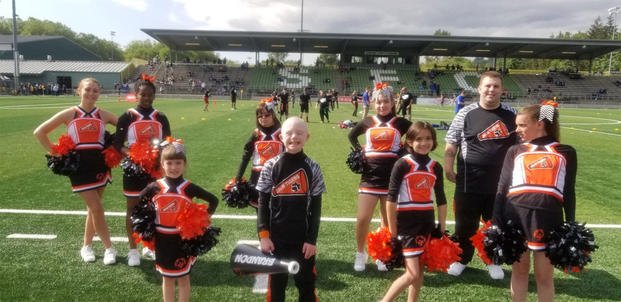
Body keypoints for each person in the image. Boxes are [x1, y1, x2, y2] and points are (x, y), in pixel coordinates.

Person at [493, 103, 576, 301]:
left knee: (544, 276)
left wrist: (570, 223)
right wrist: (497, 219)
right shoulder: (515, 150)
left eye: (522, 125)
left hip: (548, 219)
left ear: (539, 124)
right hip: (515, 217)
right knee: (520, 272)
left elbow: (568, 191)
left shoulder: (565, 151)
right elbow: (502, 187)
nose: (517, 130)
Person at [33, 78, 118, 265]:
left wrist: (117, 145)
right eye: (88, 89)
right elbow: (40, 132)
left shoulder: (103, 115)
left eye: (96, 90)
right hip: (79, 168)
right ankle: (109, 248)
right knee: (97, 208)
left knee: (93, 209)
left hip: (100, 165)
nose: (92, 93)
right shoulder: (70, 113)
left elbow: (124, 127)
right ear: (78, 91)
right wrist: (56, 152)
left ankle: (86, 246)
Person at [444, 71, 517, 279]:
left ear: (502, 90)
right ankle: (462, 259)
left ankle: (492, 260)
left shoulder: (512, 114)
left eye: (496, 86)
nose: (491, 90)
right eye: (487, 86)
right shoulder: (465, 113)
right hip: (468, 181)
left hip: (501, 184)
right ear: (479, 88)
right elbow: (452, 142)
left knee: (495, 226)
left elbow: (522, 145)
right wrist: (448, 167)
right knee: (464, 225)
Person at [257, 117, 326, 302]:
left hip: (302, 242)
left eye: (299, 133)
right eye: (289, 133)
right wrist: (264, 236)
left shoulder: (313, 167)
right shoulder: (270, 166)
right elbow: (262, 203)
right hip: (276, 240)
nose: (294, 137)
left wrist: (311, 240)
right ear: (281, 136)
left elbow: (316, 208)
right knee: (277, 288)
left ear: (307, 137)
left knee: (306, 286)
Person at [139, 142, 218, 302]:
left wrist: (201, 221)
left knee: (183, 278)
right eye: (169, 163)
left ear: (184, 164)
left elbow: (213, 200)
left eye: (178, 163)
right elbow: (139, 204)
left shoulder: (189, 188)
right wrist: (147, 221)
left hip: (182, 240)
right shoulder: (154, 187)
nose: (174, 167)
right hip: (162, 240)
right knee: (166, 278)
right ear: (162, 164)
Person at [348, 85, 412, 272]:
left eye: (386, 101)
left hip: (392, 177)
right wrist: (360, 151)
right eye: (379, 101)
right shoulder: (368, 121)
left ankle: (383, 254)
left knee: (387, 220)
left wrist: (405, 150)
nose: (382, 105)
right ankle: (361, 253)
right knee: (363, 218)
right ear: (374, 103)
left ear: (392, 103)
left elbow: (416, 134)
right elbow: (352, 135)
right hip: (370, 176)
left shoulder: (400, 122)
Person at [381, 121, 447, 302]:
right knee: (412, 273)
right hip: (407, 224)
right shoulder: (403, 164)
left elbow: (441, 199)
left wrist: (441, 226)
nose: (424, 143)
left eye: (428, 138)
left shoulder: (436, 167)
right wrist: (393, 230)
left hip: (427, 222)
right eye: (419, 139)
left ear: (433, 141)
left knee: (419, 268)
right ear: (409, 141)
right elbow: (391, 199)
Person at [114, 77, 171, 266]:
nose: (146, 98)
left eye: (149, 95)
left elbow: (167, 142)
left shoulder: (161, 117)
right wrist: (132, 155)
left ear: (154, 95)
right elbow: (116, 144)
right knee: (132, 209)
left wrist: (160, 154)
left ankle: (148, 244)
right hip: (134, 171)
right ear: (136, 95)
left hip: (154, 171)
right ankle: (133, 251)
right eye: (142, 94)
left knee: (153, 209)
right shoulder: (127, 116)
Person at [235, 99, 284, 209]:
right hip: (257, 179)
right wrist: (237, 179)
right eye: (260, 116)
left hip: (278, 178)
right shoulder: (256, 134)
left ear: (273, 115)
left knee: (277, 215)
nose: (263, 118)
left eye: (267, 115)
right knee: (261, 215)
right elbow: (245, 157)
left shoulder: (282, 133)